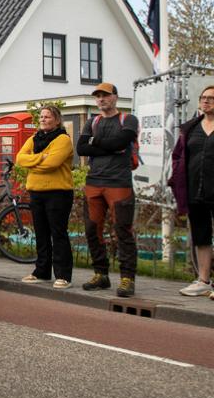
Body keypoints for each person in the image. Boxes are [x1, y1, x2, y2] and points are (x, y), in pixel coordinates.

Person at [76, 82, 139, 297]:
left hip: (119, 183)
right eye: (97, 96)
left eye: (105, 95)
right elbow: (81, 148)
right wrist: (109, 145)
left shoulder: (128, 119)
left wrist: (97, 144)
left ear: (115, 97)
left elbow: (122, 141)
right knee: (92, 230)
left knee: (123, 230)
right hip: (93, 182)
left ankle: (127, 278)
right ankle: (101, 274)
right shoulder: (92, 122)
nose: (101, 99)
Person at [16, 105, 75, 289]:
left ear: (57, 120)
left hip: (58, 193)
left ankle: (63, 275)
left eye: (47, 116)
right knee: (41, 234)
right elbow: (19, 158)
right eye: (41, 116)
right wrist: (41, 158)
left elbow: (53, 163)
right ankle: (41, 271)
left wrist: (33, 161)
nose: (42, 119)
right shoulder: (34, 138)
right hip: (37, 192)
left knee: (58, 234)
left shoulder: (63, 139)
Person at [170, 85, 214, 298]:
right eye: (203, 97)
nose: (206, 101)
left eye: (211, 98)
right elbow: (178, 156)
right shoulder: (191, 128)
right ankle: (204, 281)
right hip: (196, 191)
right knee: (201, 236)